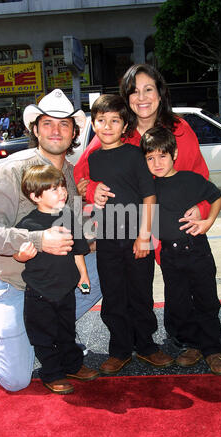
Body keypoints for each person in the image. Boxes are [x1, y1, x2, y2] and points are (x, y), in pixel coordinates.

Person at [0, 89, 102, 392]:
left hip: (48, 282)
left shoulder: (74, 177)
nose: (56, 131)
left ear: (74, 131)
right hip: (8, 280)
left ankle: (47, 334)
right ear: (35, 129)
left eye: (64, 124)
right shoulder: (13, 168)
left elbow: (73, 233)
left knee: (111, 264)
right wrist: (38, 239)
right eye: (48, 123)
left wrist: (96, 229)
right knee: (16, 379)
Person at [74, 63, 210, 342]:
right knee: (133, 288)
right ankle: (129, 343)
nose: (142, 97)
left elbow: (200, 175)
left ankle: (195, 342)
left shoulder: (180, 129)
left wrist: (203, 210)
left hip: (177, 223)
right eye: (134, 91)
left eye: (149, 89)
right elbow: (82, 173)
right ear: (126, 98)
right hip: (134, 227)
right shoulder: (118, 132)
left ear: (160, 93)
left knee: (188, 286)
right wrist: (92, 190)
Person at [88, 94, 174, 374]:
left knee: (140, 293)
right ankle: (120, 349)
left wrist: (144, 236)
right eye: (102, 120)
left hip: (137, 238)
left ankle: (147, 346)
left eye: (115, 120)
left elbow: (150, 197)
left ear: (126, 126)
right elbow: (83, 188)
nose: (108, 125)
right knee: (113, 296)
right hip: (107, 240)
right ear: (94, 124)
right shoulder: (93, 158)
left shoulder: (134, 154)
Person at [140, 125, 221, 375]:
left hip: (197, 250)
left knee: (206, 301)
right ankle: (193, 346)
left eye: (162, 155)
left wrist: (207, 221)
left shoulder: (190, 179)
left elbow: (217, 196)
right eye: (150, 158)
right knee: (179, 304)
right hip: (169, 256)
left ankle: (213, 350)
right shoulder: (147, 188)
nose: (157, 162)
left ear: (175, 154)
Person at [13, 164, 98, 394]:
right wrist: (22, 255)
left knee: (67, 331)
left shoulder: (69, 217)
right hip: (39, 294)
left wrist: (83, 275)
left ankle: (72, 365)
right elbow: (17, 253)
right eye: (53, 189)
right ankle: (51, 373)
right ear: (35, 196)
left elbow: (79, 250)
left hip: (65, 291)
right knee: (43, 337)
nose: (62, 192)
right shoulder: (27, 225)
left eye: (62, 186)